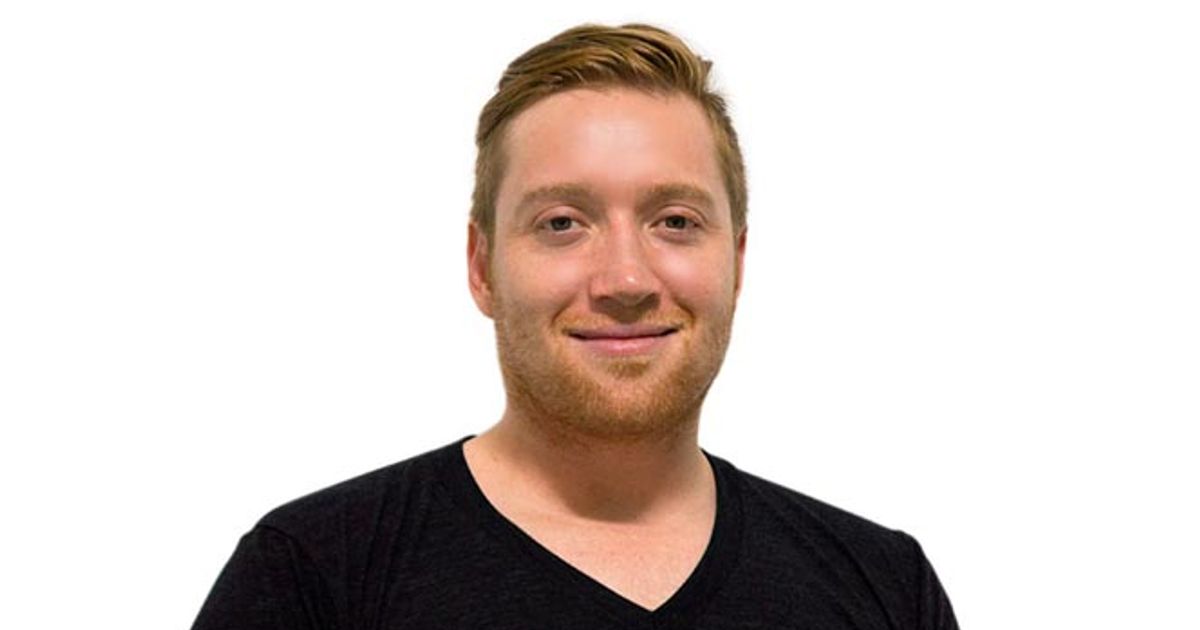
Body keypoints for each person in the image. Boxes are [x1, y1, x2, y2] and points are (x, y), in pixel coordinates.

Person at [192, 23, 958, 629]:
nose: (626, 280)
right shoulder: (313, 577)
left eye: (675, 220)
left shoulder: (886, 589)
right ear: (482, 267)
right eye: (562, 222)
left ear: (737, 261)